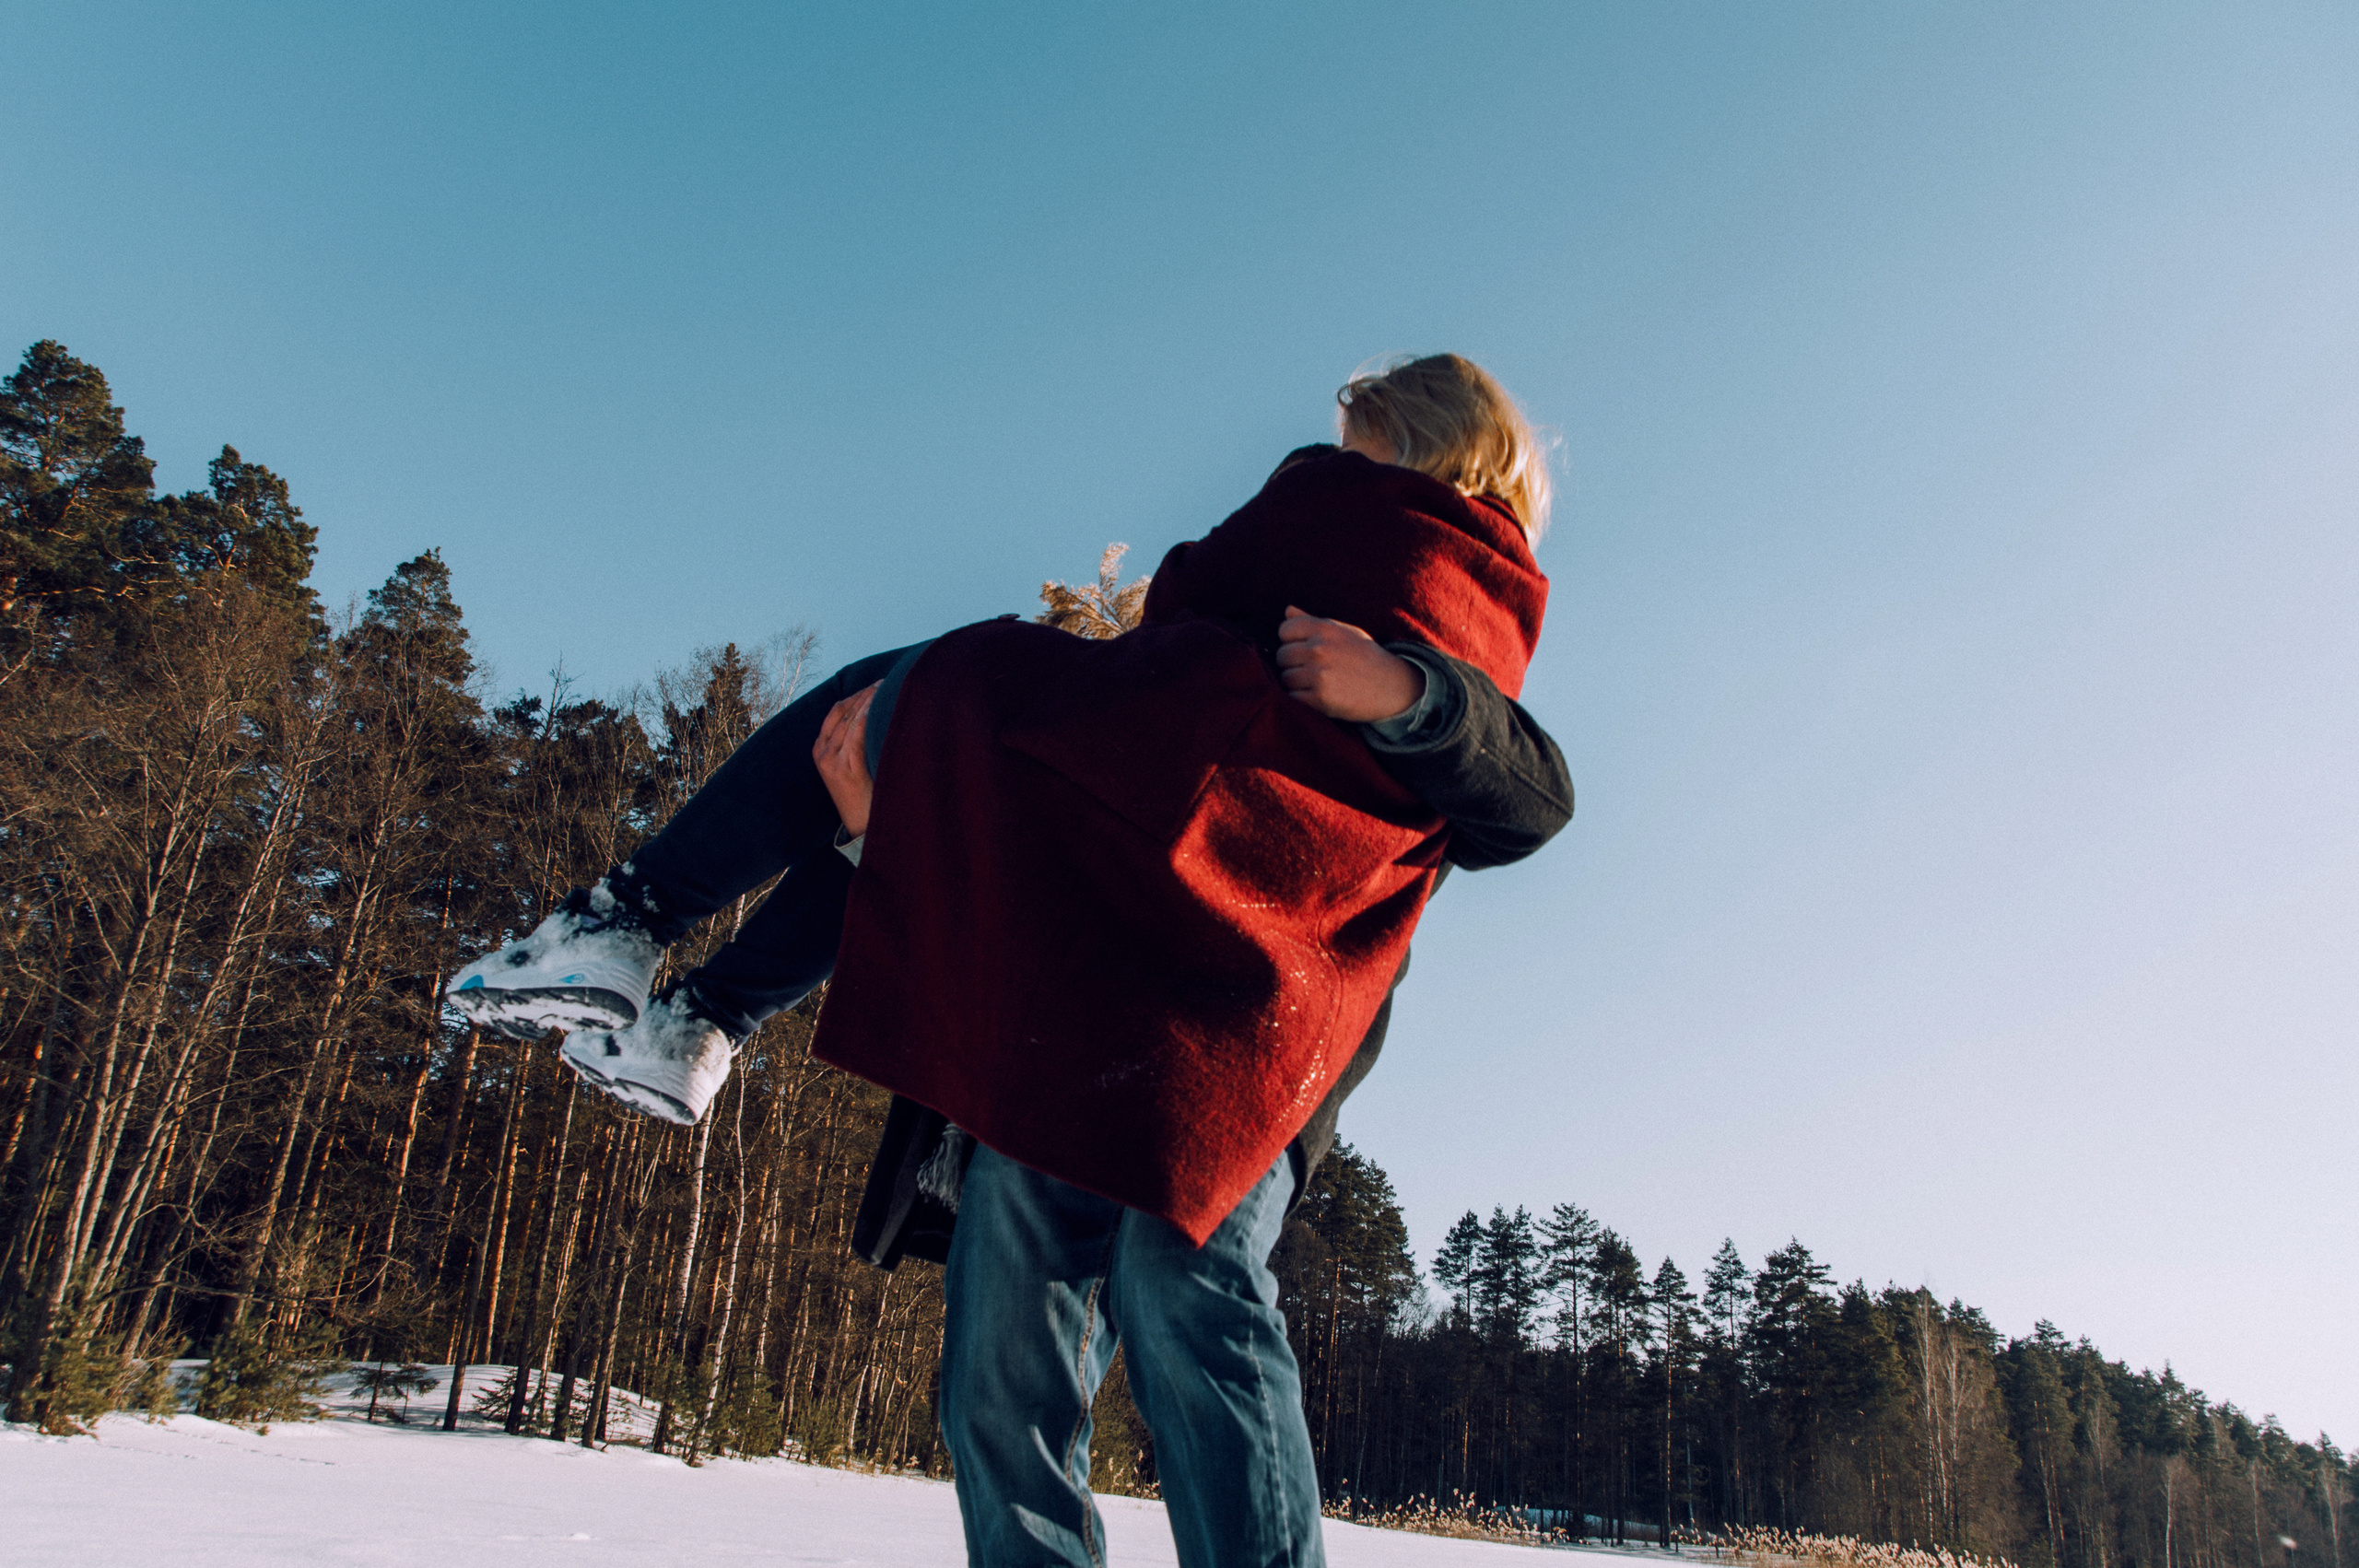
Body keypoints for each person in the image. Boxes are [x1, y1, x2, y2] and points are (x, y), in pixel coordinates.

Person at [449, 354, 1572, 1567]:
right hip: (1087, 998)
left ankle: (664, 967)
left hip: (1247, 1031)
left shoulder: (1456, 612)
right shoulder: (1244, 617)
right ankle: (675, 983)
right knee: (1001, 1356)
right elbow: (1111, 765)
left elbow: (1531, 797)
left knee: (1180, 1285)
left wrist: (1407, 690)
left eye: (1367, 451)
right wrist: (891, 828)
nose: (1334, 473)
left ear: (1444, 451)